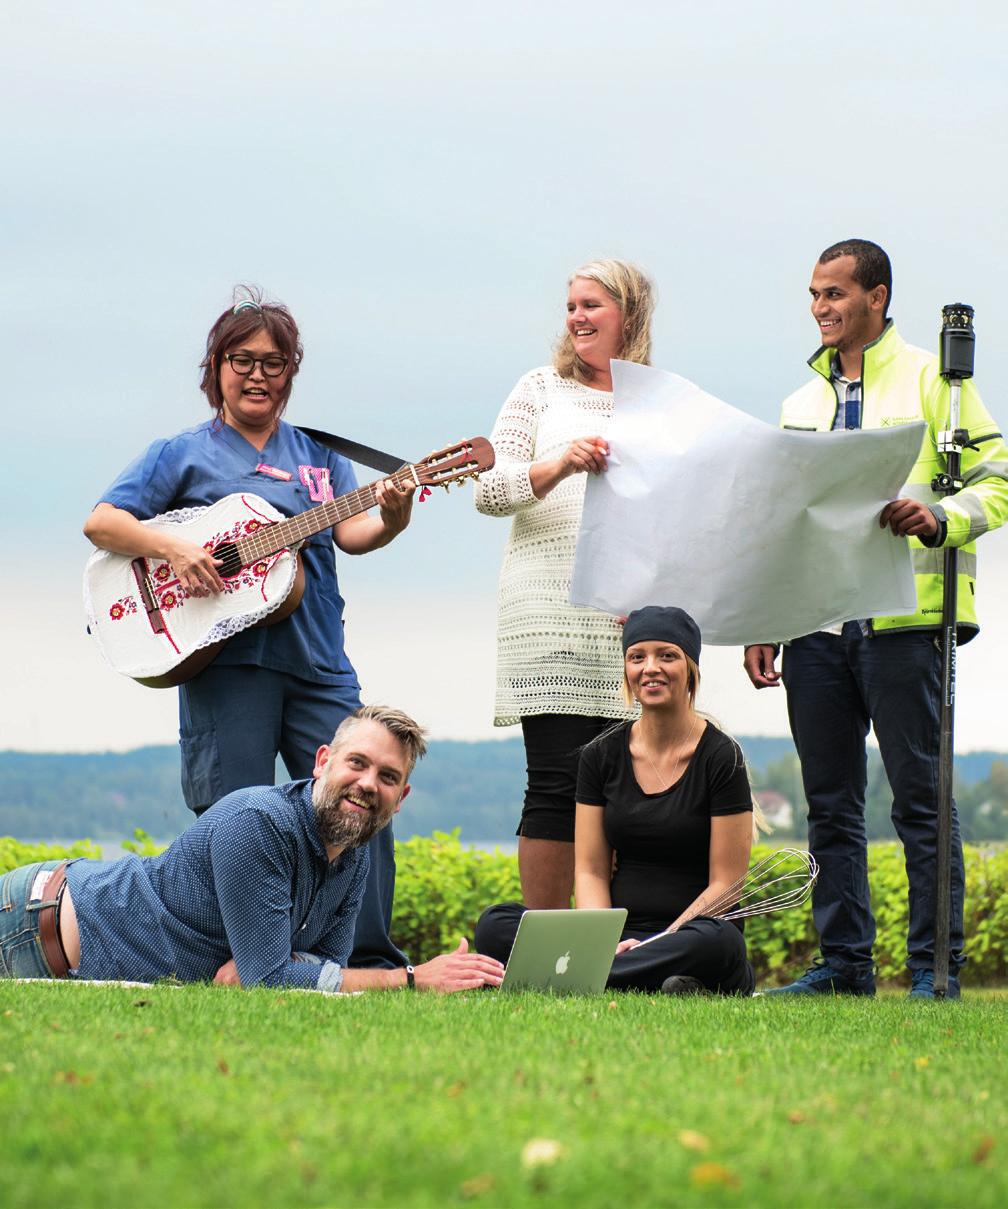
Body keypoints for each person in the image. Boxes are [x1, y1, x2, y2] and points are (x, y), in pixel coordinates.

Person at [83, 289, 415, 970]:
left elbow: (356, 531)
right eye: (243, 360)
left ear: (291, 371)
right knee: (233, 814)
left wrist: (398, 509)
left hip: (318, 658)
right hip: (225, 665)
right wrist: (177, 550)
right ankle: (229, 957)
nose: (258, 374)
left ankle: (371, 962)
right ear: (217, 367)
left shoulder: (321, 459)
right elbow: (103, 521)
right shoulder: (180, 453)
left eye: (274, 361)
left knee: (366, 801)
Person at [743, 239, 1008, 999]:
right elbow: (782, 520)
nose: (821, 307)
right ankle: (845, 966)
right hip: (817, 629)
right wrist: (768, 614)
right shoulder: (798, 405)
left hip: (907, 620)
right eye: (815, 295)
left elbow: (998, 479)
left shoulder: (938, 380)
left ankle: (933, 969)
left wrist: (940, 516)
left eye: (834, 294)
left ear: (877, 297)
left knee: (920, 800)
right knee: (829, 803)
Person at [0, 705, 505, 994]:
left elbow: (319, 970)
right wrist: (413, 979)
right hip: (32, 922)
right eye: (357, 763)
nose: (368, 783)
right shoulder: (257, 822)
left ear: (401, 799)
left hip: (55, 926)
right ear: (323, 761)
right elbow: (273, 978)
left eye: (388, 777)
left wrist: (288, 972)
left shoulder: (354, 851)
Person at [474, 259, 655, 909]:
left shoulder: (657, 401)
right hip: (546, 612)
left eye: (592, 305)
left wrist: (651, 600)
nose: (576, 317)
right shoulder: (540, 390)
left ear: (628, 316)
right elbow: (490, 490)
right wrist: (560, 461)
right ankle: (548, 942)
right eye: (571, 305)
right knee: (554, 783)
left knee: (625, 787)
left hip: (626, 624)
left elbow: (675, 514)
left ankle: (612, 942)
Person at [476, 607, 757, 996]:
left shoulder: (722, 757)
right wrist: (601, 942)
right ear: (625, 668)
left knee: (721, 943)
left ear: (691, 668)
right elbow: (590, 870)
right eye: (637, 657)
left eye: (667, 655)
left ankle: (582, 976)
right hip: (616, 934)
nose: (650, 668)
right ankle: (640, 977)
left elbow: (727, 885)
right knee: (495, 923)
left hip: (689, 933)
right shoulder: (600, 756)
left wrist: (659, 941)